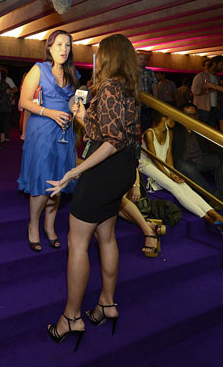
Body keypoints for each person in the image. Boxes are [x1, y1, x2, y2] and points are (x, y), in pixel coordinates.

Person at [45, 34, 141, 351]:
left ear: (110, 57)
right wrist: (82, 115)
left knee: (77, 243)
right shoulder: (127, 89)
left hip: (103, 171)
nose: (96, 58)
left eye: (100, 54)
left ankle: (72, 317)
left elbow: (110, 142)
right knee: (107, 235)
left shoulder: (111, 87)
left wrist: (76, 170)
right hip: (122, 170)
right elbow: (106, 132)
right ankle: (106, 304)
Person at [18, 30, 79, 253]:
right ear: (50, 48)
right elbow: (25, 101)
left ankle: (49, 225)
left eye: (68, 45)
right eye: (59, 44)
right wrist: (50, 113)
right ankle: (33, 226)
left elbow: (73, 103)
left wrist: (78, 110)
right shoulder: (39, 69)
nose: (64, 49)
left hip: (65, 133)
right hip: (42, 131)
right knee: (42, 182)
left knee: (59, 180)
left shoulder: (73, 74)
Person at [139, 110, 223, 229]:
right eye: (173, 118)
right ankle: (208, 219)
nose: (175, 121)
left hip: (163, 165)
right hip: (148, 165)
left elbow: (168, 156)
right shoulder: (149, 133)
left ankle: (217, 216)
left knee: (185, 186)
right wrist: (170, 175)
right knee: (175, 187)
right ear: (164, 118)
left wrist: (173, 172)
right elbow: (155, 160)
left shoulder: (170, 132)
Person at [173, 103, 223, 211]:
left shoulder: (202, 127)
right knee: (184, 166)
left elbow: (218, 143)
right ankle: (211, 198)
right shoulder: (175, 128)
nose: (191, 118)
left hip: (201, 159)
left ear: (197, 116)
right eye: (188, 115)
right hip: (185, 162)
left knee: (220, 161)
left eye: (194, 115)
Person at [192, 55, 223, 127]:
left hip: (214, 108)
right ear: (214, 63)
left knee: (211, 131)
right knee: (201, 130)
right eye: (222, 64)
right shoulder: (201, 76)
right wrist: (208, 90)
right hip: (202, 108)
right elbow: (195, 90)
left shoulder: (217, 78)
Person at [138, 51, 158, 132]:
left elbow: (154, 86)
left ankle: (146, 142)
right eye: (141, 59)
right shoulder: (131, 72)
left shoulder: (150, 72)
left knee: (147, 126)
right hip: (135, 103)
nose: (143, 61)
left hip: (147, 104)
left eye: (144, 59)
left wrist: (155, 100)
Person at [0, 67, 18, 143]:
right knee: (2, 121)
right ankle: (2, 136)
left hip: (5, 103)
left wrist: (10, 91)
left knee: (5, 121)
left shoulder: (8, 80)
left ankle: (5, 136)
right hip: (2, 103)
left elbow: (16, 89)